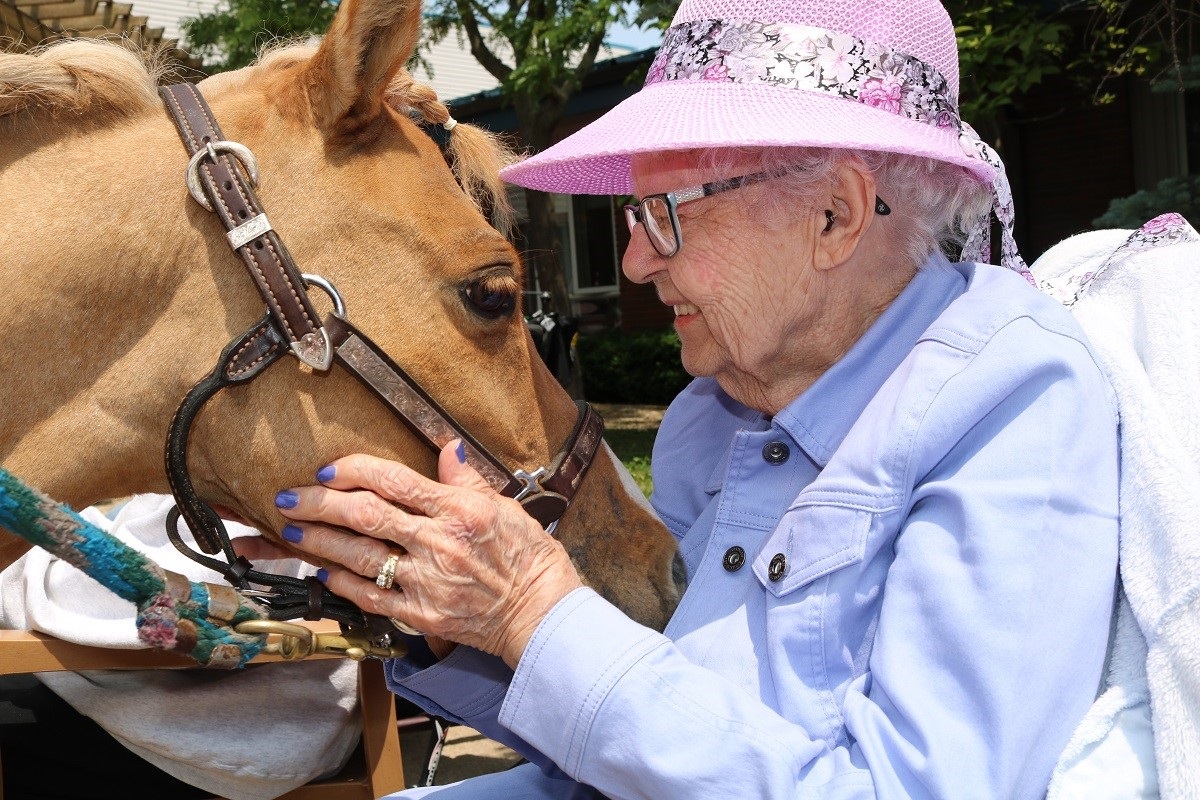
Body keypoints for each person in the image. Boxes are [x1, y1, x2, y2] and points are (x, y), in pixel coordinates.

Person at [269, 0, 1121, 795]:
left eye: (664, 213)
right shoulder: (708, 415)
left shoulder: (1010, 398)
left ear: (835, 214)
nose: (637, 261)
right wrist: (456, 612)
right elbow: (627, 739)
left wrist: (532, 611)